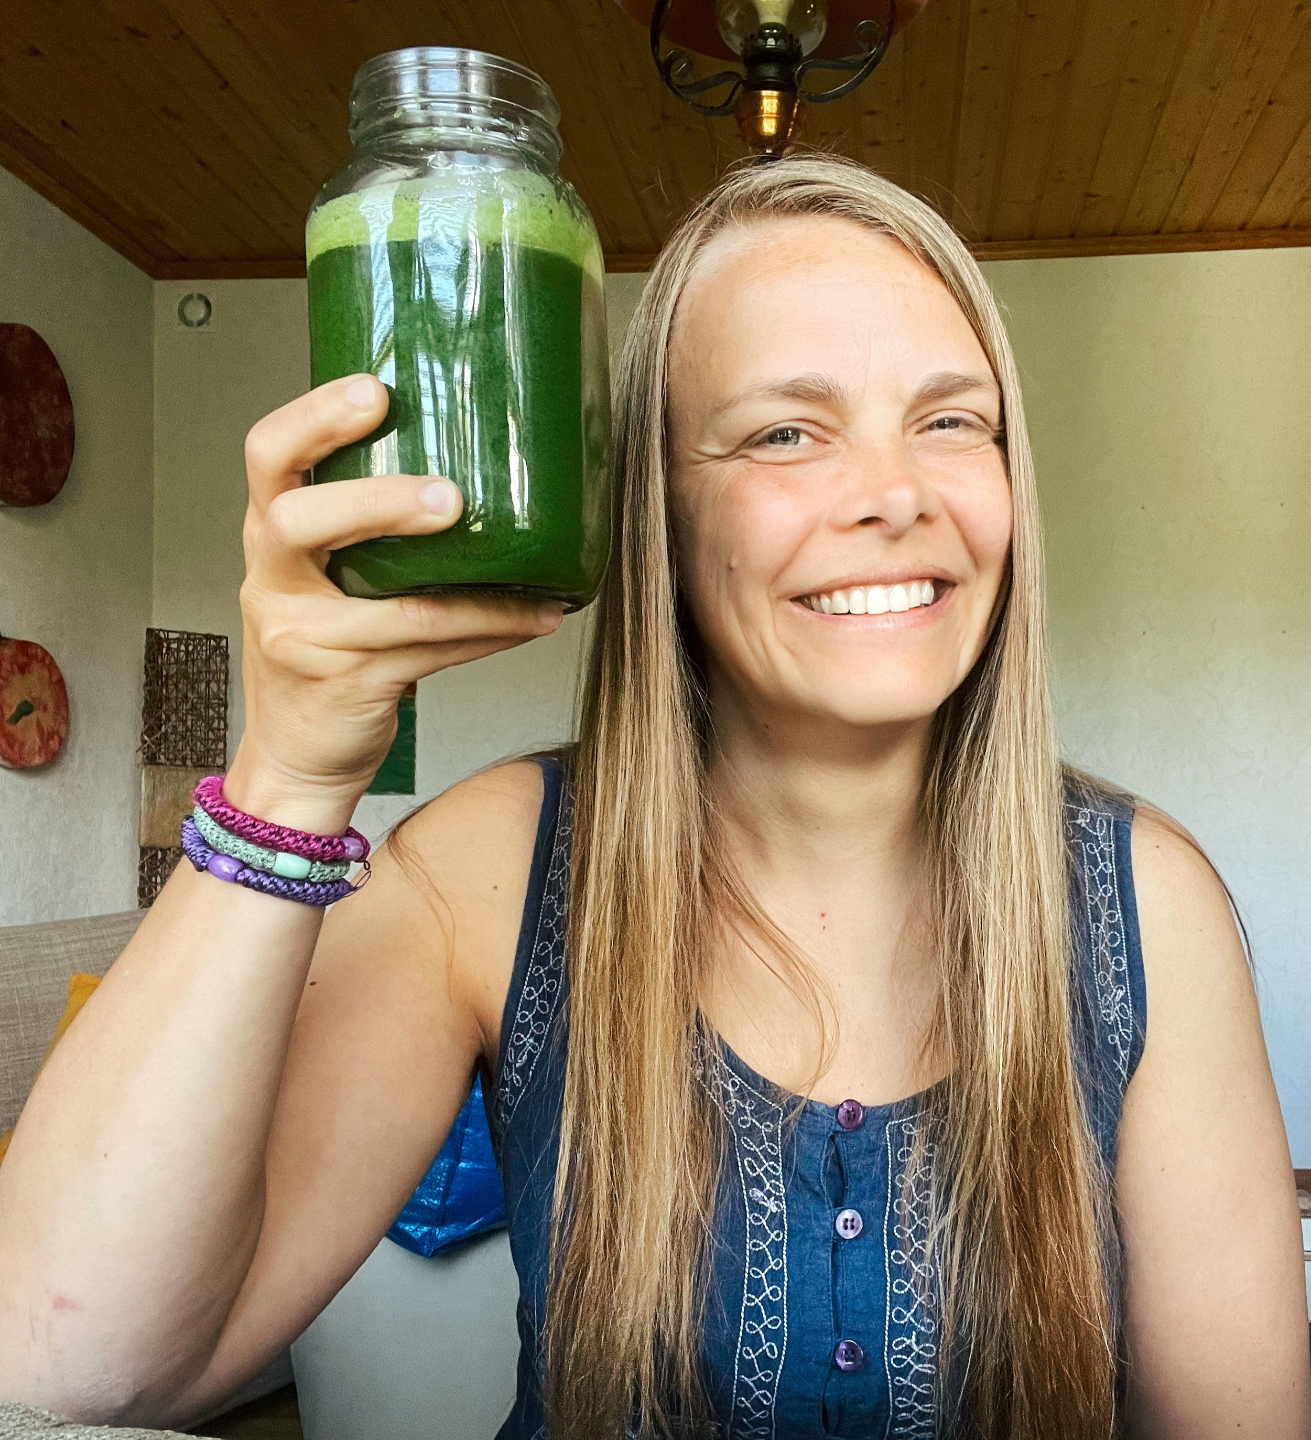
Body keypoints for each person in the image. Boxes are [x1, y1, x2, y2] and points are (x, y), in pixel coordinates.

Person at [0, 153, 1306, 1440]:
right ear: (655, 515)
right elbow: (67, 1365)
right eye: (787, 432)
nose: (897, 495)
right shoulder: (490, 872)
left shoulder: (1148, 902)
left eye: (952, 420)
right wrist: (289, 775)